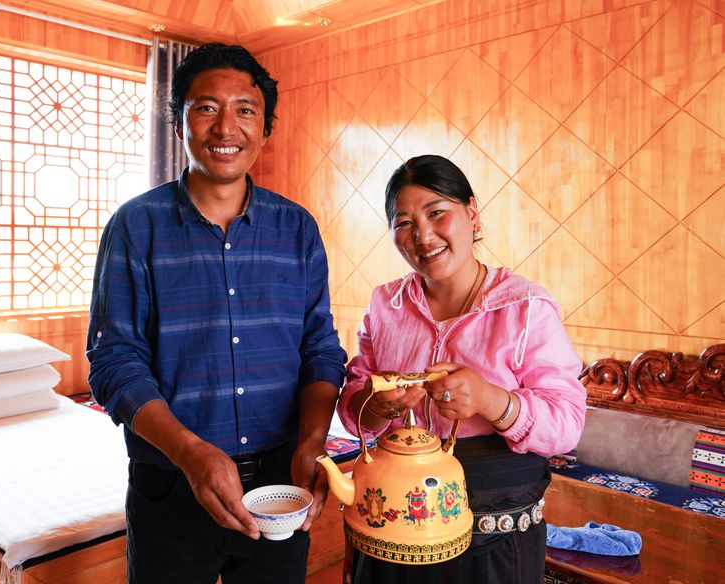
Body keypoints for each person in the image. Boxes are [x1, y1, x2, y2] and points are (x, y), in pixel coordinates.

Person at [86, 43, 346, 584]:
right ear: (179, 122)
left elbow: (320, 348)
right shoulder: (136, 226)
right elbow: (114, 361)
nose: (226, 127)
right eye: (206, 108)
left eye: (245, 110)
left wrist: (312, 441)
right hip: (171, 482)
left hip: (281, 483)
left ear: (265, 128)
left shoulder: (297, 228)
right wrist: (190, 452)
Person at [336, 154, 586, 583]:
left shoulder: (525, 308)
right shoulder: (385, 306)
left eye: (437, 213)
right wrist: (378, 407)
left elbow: (567, 423)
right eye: (404, 223)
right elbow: (353, 403)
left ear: (471, 213)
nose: (423, 236)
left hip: (495, 536)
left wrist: (491, 400)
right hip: (394, 531)